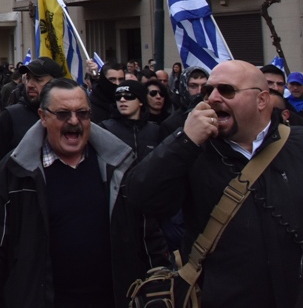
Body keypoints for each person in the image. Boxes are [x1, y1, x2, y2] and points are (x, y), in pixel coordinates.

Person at [0, 78, 164, 307]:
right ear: (43, 117)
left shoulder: (119, 166)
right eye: (63, 114)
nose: (74, 121)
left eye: (82, 113)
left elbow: (148, 237)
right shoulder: (16, 170)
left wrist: (157, 293)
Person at [126, 60, 303, 307]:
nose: (212, 98)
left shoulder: (296, 144)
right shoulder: (192, 150)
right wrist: (184, 142)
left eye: (227, 90)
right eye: (208, 91)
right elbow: (141, 197)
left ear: (261, 100)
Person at [0, 58, 65, 172]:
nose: (30, 84)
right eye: (28, 78)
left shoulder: (71, 117)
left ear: (56, 82)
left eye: (38, 79)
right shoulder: (10, 117)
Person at [101, 80, 163, 162]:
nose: (122, 99)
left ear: (140, 101)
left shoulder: (155, 131)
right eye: (118, 97)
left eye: (129, 96)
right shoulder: (105, 129)